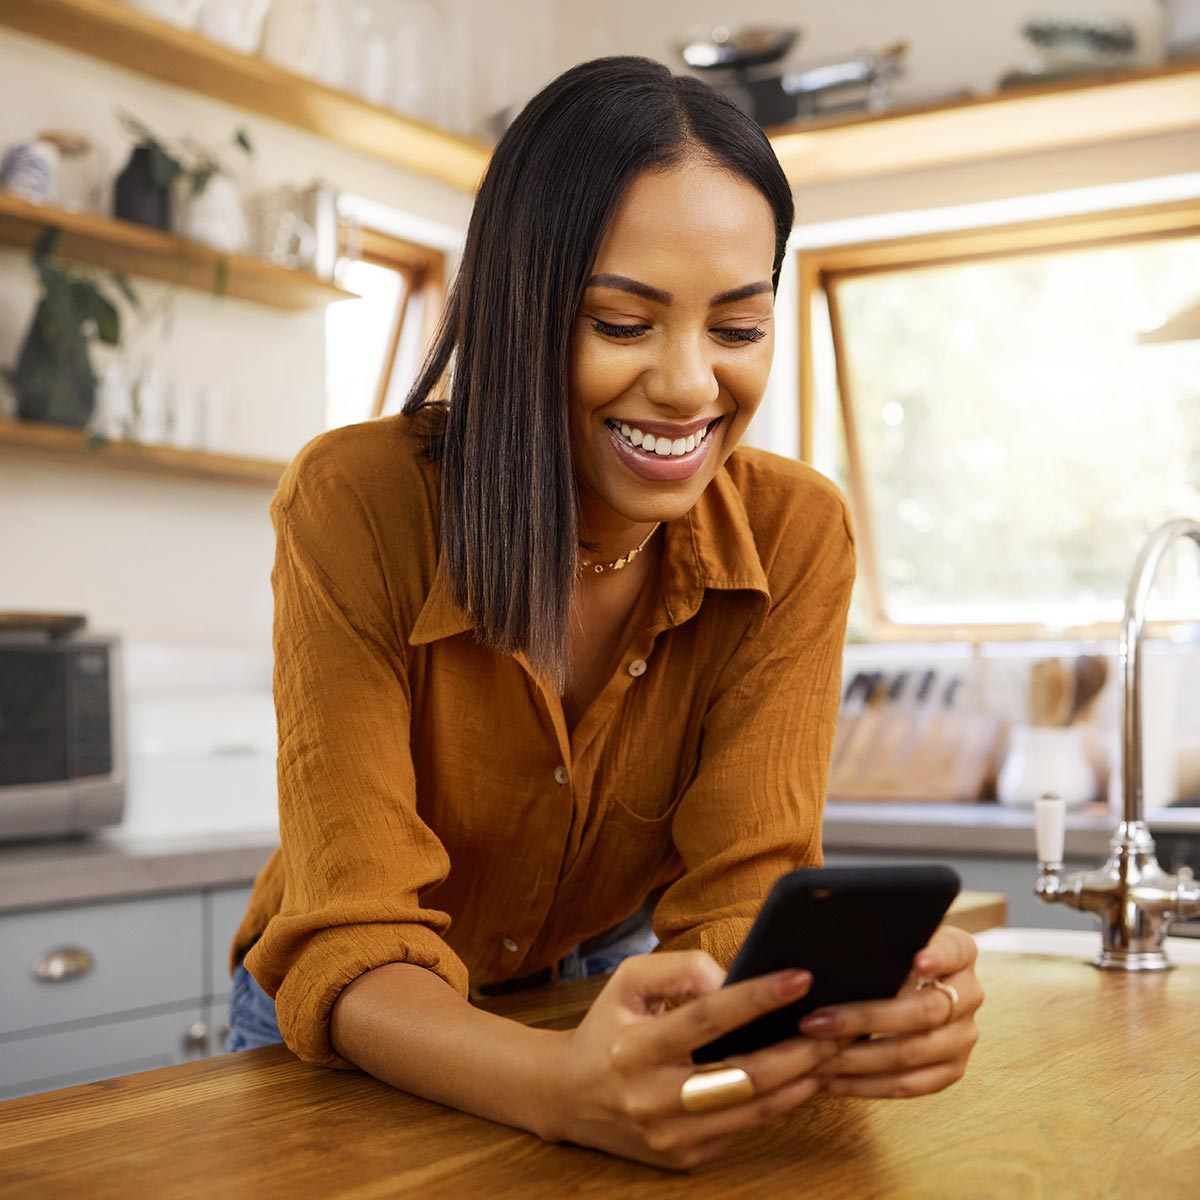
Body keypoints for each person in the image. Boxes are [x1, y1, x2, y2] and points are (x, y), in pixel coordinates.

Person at [227, 55, 982, 1170]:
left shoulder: (796, 535)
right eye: (623, 325)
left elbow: (742, 899)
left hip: (597, 1015)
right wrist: (554, 1088)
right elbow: (352, 927)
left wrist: (839, 1023)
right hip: (356, 1033)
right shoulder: (357, 502)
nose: (688, 385)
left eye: (737, 329)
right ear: (517, 312)